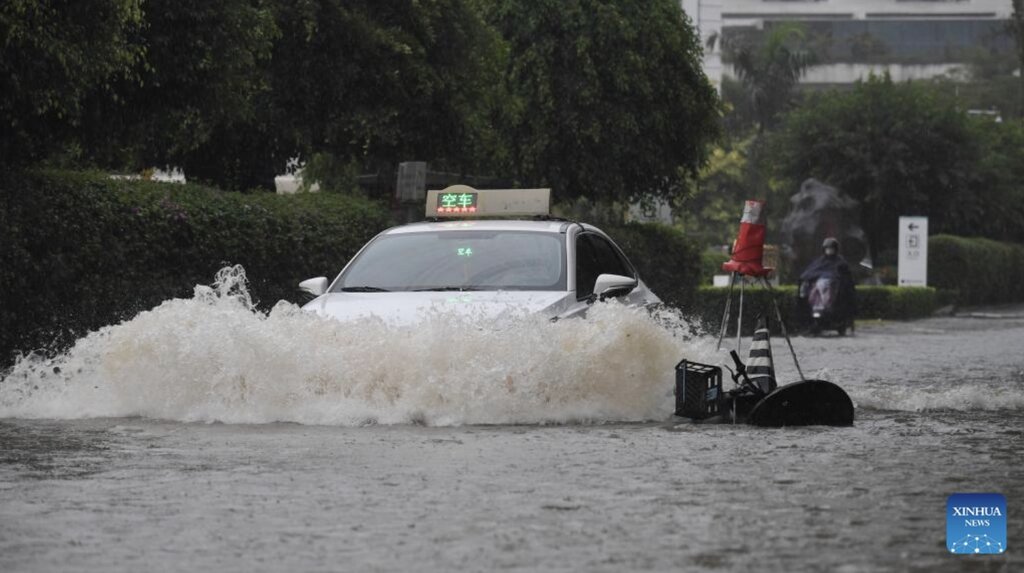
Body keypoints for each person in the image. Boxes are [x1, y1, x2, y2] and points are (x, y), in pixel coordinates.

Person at [798, 237, 857, 335]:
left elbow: (845, 278)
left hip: (834, 293)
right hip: (816, 294)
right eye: (827, 248)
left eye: (831, 249)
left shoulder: (840, 263)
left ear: (835, 249)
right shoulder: (820, 262)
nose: (829, 251)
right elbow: (809, 273)